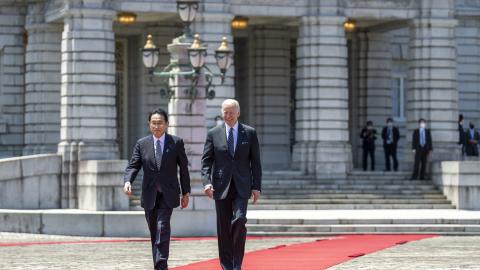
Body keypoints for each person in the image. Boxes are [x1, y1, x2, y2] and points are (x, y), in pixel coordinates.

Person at [123, 108, 190, 270]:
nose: (157, 126)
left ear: (166, 124)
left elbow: (184, 169)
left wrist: (185, 192)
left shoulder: (176, 142)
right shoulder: (142, 144)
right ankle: (158, 265)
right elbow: (133, 166)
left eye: (160, 123)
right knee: (154, 232)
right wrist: (128, 181)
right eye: (154, 123)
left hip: (169, 193)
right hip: (149, 194)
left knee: (162, 226)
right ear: (149, 125)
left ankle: (161, 265)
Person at [201, 99, 262, 270]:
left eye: (231, 112)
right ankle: (227, 265)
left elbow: (255, 162)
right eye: (225, 112)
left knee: (239, 220)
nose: (227, 116)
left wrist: (256, 186)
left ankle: (237, 263)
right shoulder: (213, 133)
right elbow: (206, 162)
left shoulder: (249, 133)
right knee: (223, 227)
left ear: (238, 113)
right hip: (221, 187)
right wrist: (207, 183)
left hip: (243, 185)